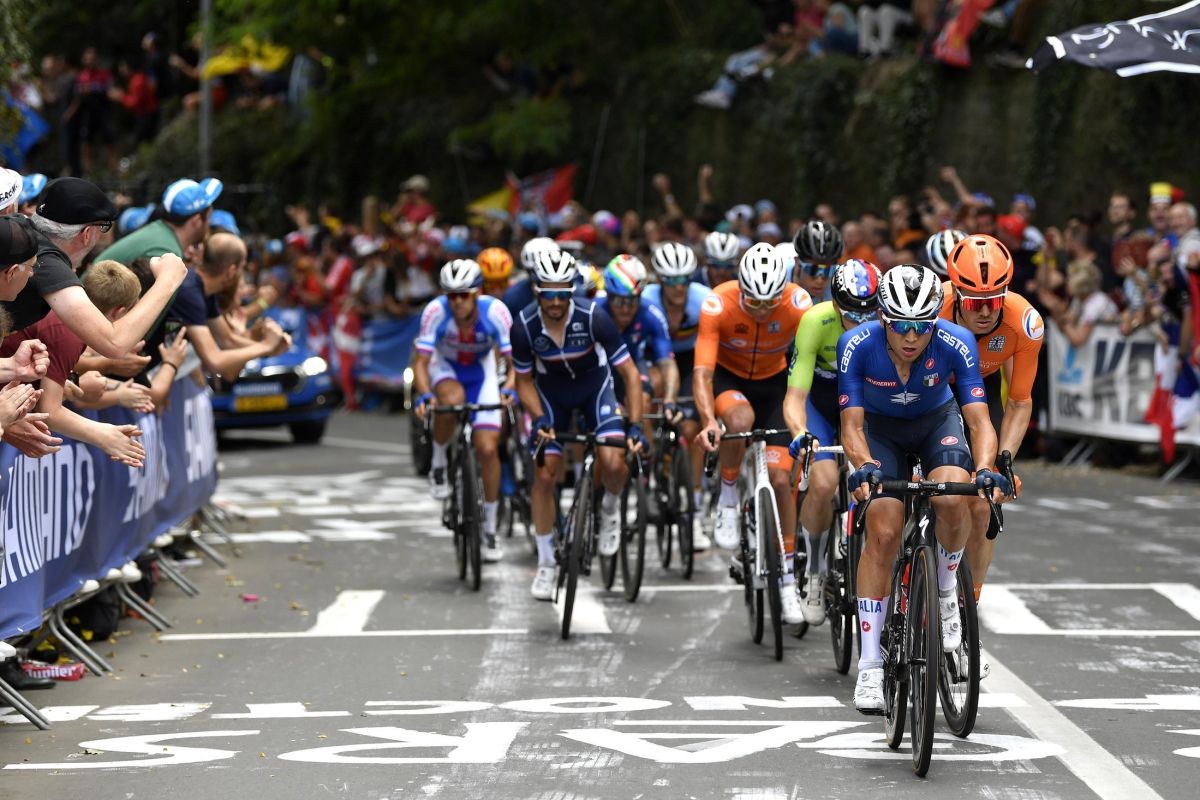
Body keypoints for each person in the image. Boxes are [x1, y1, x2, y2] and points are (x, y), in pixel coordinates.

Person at [838, 264, 1010, 713]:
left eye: (922, 326)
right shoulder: (856, 345)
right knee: (884, 530)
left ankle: (947, 591)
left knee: (954, 496)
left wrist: (985, 468)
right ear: (882, 318)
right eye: (901, 326)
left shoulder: (957, 341)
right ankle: (870, 665)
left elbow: (979, 420)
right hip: (880, 432)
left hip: (937, 424)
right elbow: (851, 426)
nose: (912, 337)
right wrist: (864, 466)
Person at [510, 249, 646, 599]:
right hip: (551, 395)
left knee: (614, 461)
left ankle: (610, 509)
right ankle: (546, 564)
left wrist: (635, 425)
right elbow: (523, 381)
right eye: (549, 294)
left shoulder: (593, 318)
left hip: (594, 389)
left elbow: (630, 375)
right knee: (544, 475)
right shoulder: (524, 326)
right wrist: (538, 418)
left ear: (573, 290)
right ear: (537, 290)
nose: (556, 302)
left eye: (563, 293)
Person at [694, 243, 812, 624]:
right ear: (741, 289)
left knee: (780, 480)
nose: (762, 310)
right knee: (740, 421)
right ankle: (728, 497)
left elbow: (812, 361)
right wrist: (708, 420)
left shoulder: (798, 303)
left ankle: (788, 581)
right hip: (730, 379)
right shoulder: (718, 303)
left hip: (775, 386)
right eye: (753, 301)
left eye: (769, 302)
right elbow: (703, 373)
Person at [939, 234, 1041, 635]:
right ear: (956, 293)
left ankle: (967, 608)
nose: (984, 312)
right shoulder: (934, 309)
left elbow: (1019, 402)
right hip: (933, 395)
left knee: (982, 503)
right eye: (974, 303)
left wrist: (1005, 460)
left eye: (994, 301)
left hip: (982, 394)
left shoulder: (1024, 321)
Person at [783, 258, 881, 625]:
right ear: (836, 305)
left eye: (869, 312)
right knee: (823, 483)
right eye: (852, 314)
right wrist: (800, 433)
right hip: (821, 405)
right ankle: (814, 569)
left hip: (864, 404)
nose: (862, 321)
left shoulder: (887, 324)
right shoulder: (815, 320)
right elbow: (795, 396)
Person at [7, 178, 187, 361]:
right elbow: (114, 343)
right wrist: (167, 280)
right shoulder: (49, 265)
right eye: (103, 226)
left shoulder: (17, 225)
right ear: (86, 233)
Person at [412, 259, 515, 563]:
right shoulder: (435, 312)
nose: (457, 302)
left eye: (464, 295)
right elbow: (421, 363)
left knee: (488, 449)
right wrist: (425, 395)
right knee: (451, 400)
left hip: (481, 372)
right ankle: (439, 462)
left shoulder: (496, 312)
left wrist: (509, 389)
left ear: (477, 293)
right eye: (451, 295)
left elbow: (515, 364)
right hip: (446, 367)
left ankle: (490, 528)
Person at [643, 241, 714, 548]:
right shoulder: (646, 300)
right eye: (670, 280)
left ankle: (694, 511)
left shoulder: (703, 299)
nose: (678, 287)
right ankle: (648, 465)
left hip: (689, 362)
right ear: (659, 280)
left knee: (691, 430)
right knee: (647, 397)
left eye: (683, 279)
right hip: (655, 358)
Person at [793, 219, 844, 301]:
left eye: (828, 270)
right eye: (812, 270)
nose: (820, 281)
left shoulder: (842, 283)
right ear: (797, 263)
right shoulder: (780, 281)